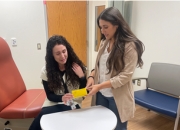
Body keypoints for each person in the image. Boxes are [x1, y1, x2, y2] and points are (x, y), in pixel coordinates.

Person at [86, 7, 144, 130]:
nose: (102, 31)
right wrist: (92, 76)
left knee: (118, 127)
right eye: (101, 27)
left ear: (116, 24)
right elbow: (99, 65)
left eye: (105, 27)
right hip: (101, 95)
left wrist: (100, 86)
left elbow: (125, 76)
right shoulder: (104, 42)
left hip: (117, 97)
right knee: (101, 125)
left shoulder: (129, 46)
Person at [29, 35, 87, 130]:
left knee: (44, 115)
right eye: (58, 53)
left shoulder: (77, 67)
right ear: (52, 55)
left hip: (73, 103)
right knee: (44, 117)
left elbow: (85, 93)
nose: (63, 56)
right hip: (53, 103)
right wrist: (62, 98)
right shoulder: (46, 71)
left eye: (64, 51)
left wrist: (82, 77)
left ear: (67, 50)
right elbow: (50, 95)